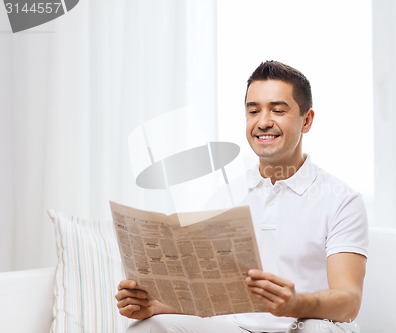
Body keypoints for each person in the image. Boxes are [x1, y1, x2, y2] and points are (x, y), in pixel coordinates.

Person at [115, 60, 369, 333]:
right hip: (238, 328)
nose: (263, 122)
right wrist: (155, 305)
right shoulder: (226, 196)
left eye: (278, 110)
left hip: (305, 326)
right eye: (253, 111)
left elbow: (349, 301)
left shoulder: (341, 200)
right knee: (149, 327)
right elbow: (211, 296)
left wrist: (297, 304)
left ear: (306, 120)